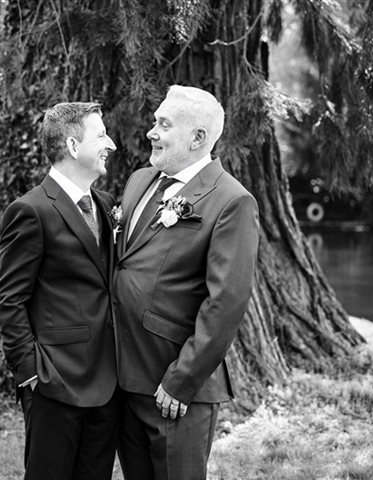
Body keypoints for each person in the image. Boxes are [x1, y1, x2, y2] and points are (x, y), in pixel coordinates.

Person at [112, 85, 260, 480]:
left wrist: (182, 380)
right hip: (124, 376)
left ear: (197, 138)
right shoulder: (140, 180)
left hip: (174, 387)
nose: (151, 132)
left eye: (164, 124)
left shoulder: (231, 200)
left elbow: (225, 301)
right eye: (154, 121)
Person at [0, 102, 119, 480]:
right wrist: (30, 373)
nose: (110, 144)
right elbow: (9, 299)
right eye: (101, 136)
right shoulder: (30, 210)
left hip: (109, 380)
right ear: (72, 145)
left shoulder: (106, 204)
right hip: (54, 382)